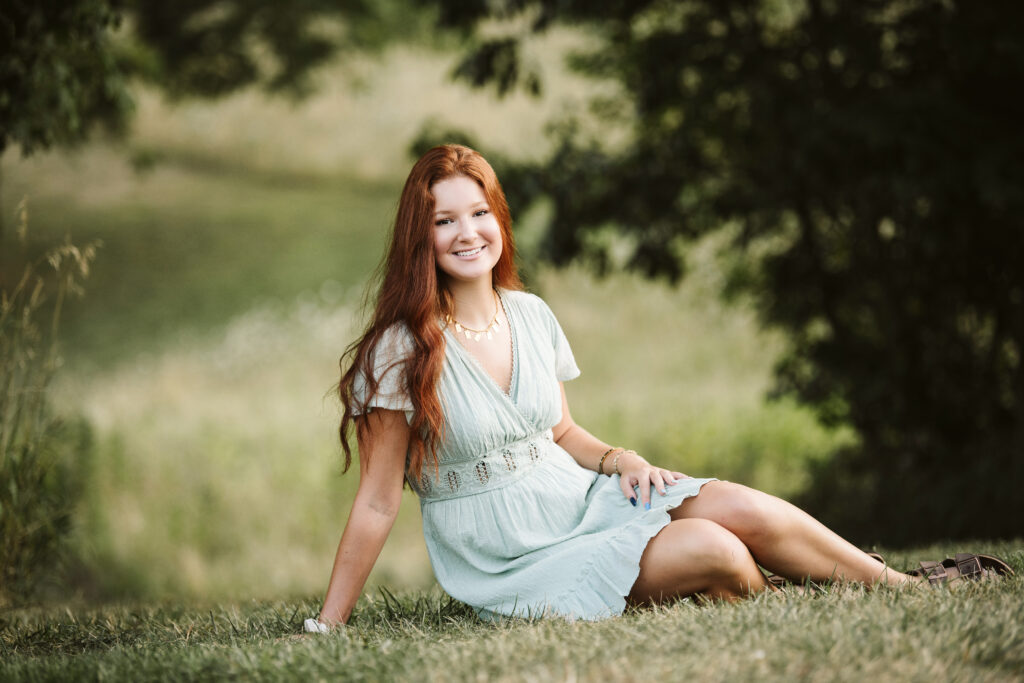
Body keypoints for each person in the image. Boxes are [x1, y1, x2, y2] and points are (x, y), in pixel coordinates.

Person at [305, 144, 1010, 632]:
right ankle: (768, 593)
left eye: (480, 211)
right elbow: (376, 496)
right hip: (511, 554)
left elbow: (561, 432)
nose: (469, 232)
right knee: (714, 548)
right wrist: (330, 623)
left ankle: (910, 589)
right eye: (444, 219)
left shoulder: (530, 313)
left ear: (500, 218)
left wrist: (625, 461)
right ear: (418, 236)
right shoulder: (399, 351)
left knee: (731, 502)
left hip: (576, 495)